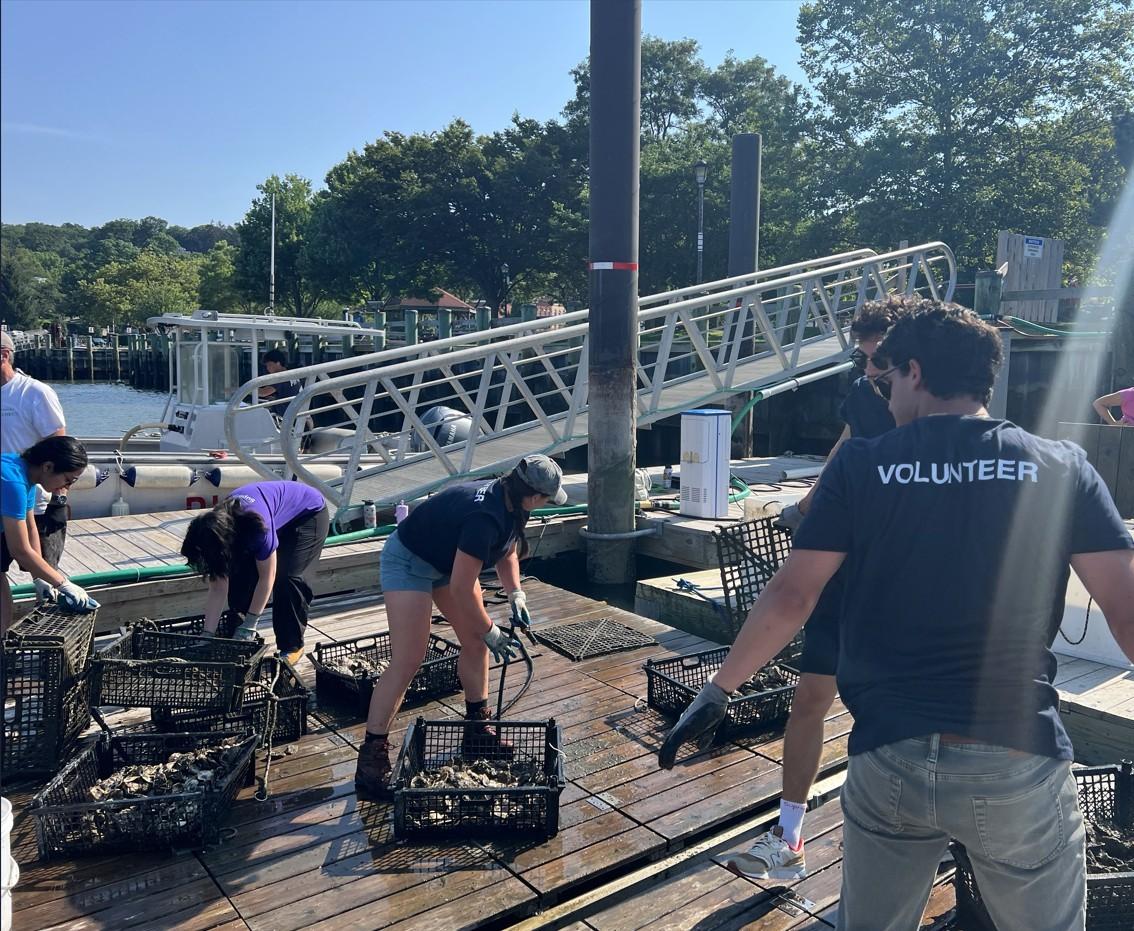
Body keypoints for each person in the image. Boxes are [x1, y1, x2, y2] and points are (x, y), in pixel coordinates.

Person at [658, 299, 1134, 931]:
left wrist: (720, 689)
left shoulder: (861, 466)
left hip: (889, 756)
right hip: (1016, 756)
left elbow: (791, 597)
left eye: (885, 382)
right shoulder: (1060, 465)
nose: (882, 398)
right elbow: (1126, 612)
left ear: (914, 371)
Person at [728, 299, 902, 881]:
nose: (872, 372)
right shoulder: (861, 393)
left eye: (882, 361)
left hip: (899, 575)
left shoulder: (930, 406)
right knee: (809, 699)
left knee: (893, 713)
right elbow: (846, 447)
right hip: (843, 567)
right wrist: (804, 505)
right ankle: (790, 834)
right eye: (864, 358)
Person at [354, 454, 569, 798]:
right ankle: (371, 759)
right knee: (410, 658)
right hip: (410, 559)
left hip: (448, 562)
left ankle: (476, 729)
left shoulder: (512, 501)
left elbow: (506, 550)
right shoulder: (484, 515)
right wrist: (490, 629)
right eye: (546, 498)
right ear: (532, 495)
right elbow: (460, 586)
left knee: (474, 641)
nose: (545, 504)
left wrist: (515, 593)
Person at [180, 480, 330, 664]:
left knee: (289, 578)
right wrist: (207, 635)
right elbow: (218, 587)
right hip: (272, 514)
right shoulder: (216, 528)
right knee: (240, 574)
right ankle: (240, 633)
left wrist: (251, 623)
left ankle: (292, 647)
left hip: (308, 513)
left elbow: (268, 577)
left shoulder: (258, 529)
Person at [2, 435, 99, 633]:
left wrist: (40, 578)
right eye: (67, 480)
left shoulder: (26, 474)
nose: (66, 488)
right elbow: (20, 550)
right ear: (47, 466)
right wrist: (63, 583)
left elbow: (30, 529)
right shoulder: (12, 482)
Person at [1, 330, 71, 596]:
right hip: (3, 500)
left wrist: (59, 499)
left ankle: (51, 634)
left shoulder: (34, 393)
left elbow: (60, 448)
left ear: (4, 355)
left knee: (46, 580)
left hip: (36, 502)